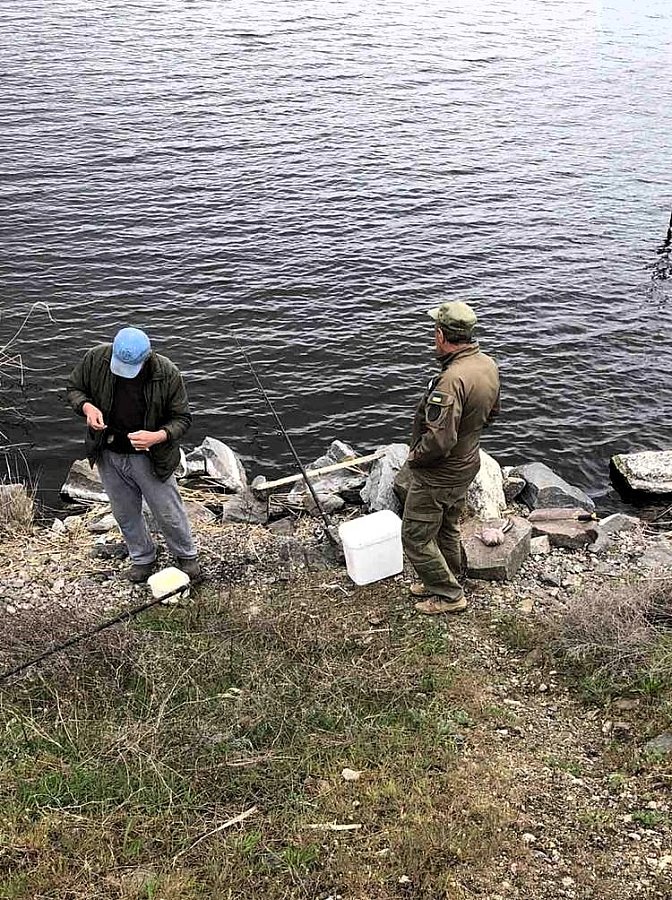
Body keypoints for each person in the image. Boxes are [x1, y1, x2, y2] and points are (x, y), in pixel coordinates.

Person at [67, 327, 200, 583]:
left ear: (147, 357)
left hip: (151, 456)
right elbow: (74, 388)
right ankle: (142, 558)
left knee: (168, 511)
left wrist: (158, 436)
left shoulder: (168, 373)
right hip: (108, 452)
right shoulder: (96, 358)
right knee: (124, 513)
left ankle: (186, 556)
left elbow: (182, 419)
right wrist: (87, 407)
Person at [395, 301, 500, 615]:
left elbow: (440, 440)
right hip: (468, 463)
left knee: (415, 536)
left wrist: (415, 457)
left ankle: (449, 594)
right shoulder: (487, 364)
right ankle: (450, 575)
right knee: (447, 526)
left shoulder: (451, 380)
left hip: (440, 474)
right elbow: (492, 414)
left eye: (434, 332)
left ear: (441, 335)